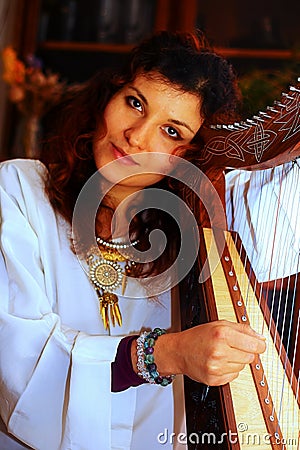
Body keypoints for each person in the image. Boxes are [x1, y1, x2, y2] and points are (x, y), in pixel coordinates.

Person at [0, 30, 269, 450]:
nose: (137, 137)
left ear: (191, 158)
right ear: (108, 96)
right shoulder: (18, 189)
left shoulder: (192, 242)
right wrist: (167, 354)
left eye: (172, 132)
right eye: (135, 103)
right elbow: (19, 367)